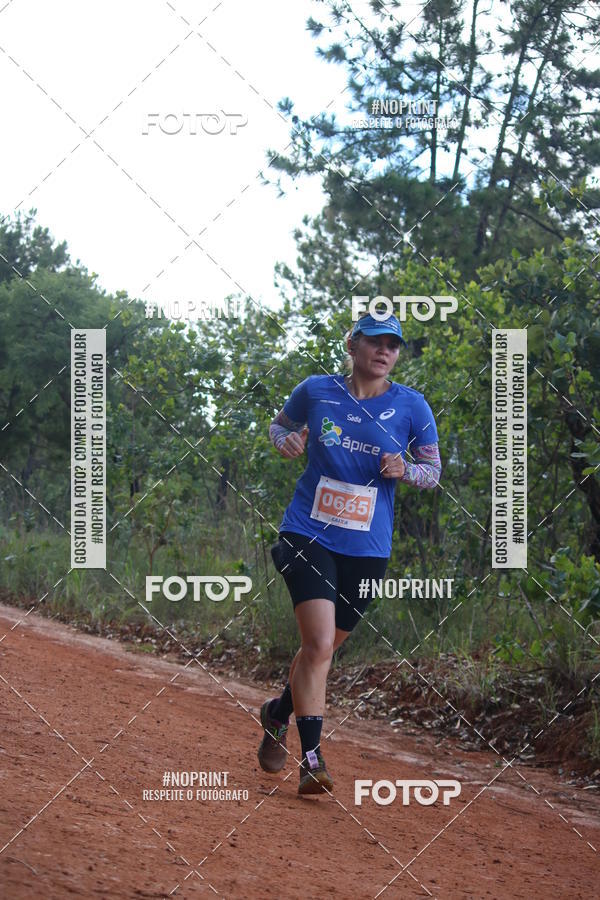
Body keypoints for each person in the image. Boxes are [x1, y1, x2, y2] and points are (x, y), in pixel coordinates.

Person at [257, 312, 442, 795]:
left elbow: (432, 471)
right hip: (307, 534)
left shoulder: (412, 406)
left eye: (393, 345)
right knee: (318, 646)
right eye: (375, 342)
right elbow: (279, 428)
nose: (385, 352)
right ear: (353, 345)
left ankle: (277, 713)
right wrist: (288, 441)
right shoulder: (316, 391)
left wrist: (406, 470)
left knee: (322, 651)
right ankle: (312, 759)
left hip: (367, 548)